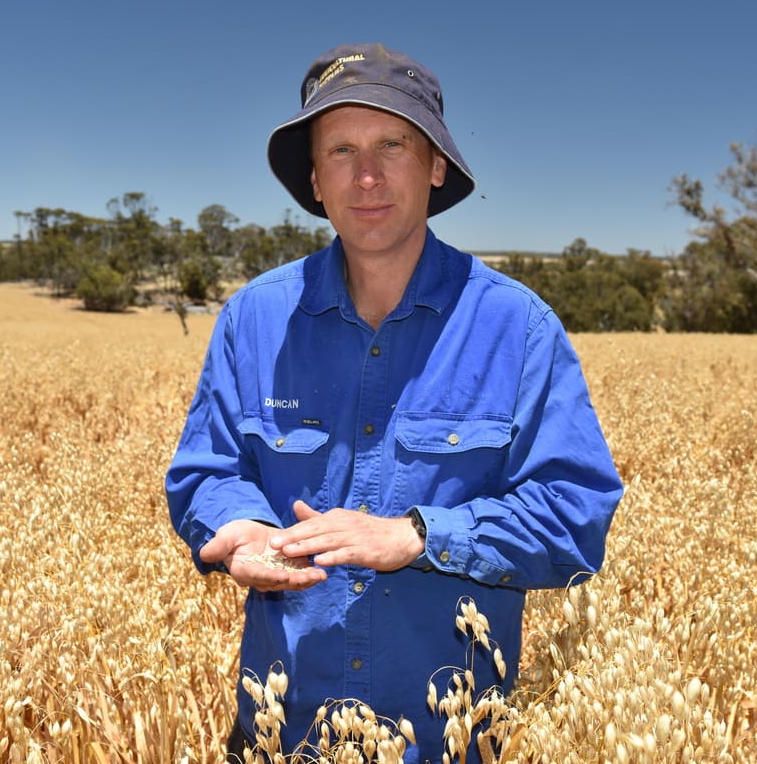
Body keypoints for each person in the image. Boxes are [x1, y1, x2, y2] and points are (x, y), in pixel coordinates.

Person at [165, 43, 623, 764]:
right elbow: (205, 473)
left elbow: (576, 515)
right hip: (283, 735)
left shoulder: (518, 328)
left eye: (393, 145)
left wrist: (419, 534)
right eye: (340, 151)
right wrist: (241, 528)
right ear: (315, 179)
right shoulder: (253, 319)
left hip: (447, 742)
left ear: (437, 166)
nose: (367, 175)